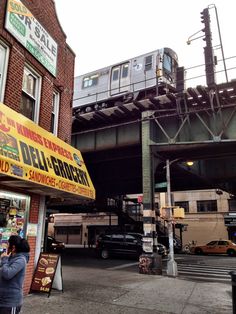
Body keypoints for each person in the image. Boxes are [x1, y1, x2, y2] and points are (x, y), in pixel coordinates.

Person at [0, 235, 30, 314]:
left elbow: (7, 274)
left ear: (13, 247)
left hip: (10, 302)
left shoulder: (20, 260)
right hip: (3, 299)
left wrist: (4, 259)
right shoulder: (11, 257)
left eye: (8, 244)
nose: (6, 246)